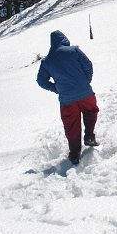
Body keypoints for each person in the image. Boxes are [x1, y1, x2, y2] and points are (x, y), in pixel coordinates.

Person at [36, 30, 100, 165]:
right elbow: (88, 65)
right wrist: (85, 81)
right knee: (90, 112)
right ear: (64, 40)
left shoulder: (47, 61)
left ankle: (74, 153)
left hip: (67, 99)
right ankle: (89, 136)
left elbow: (41, 81)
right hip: (85, 93)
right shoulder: (74, 50)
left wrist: (57, 88)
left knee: (71, 125)